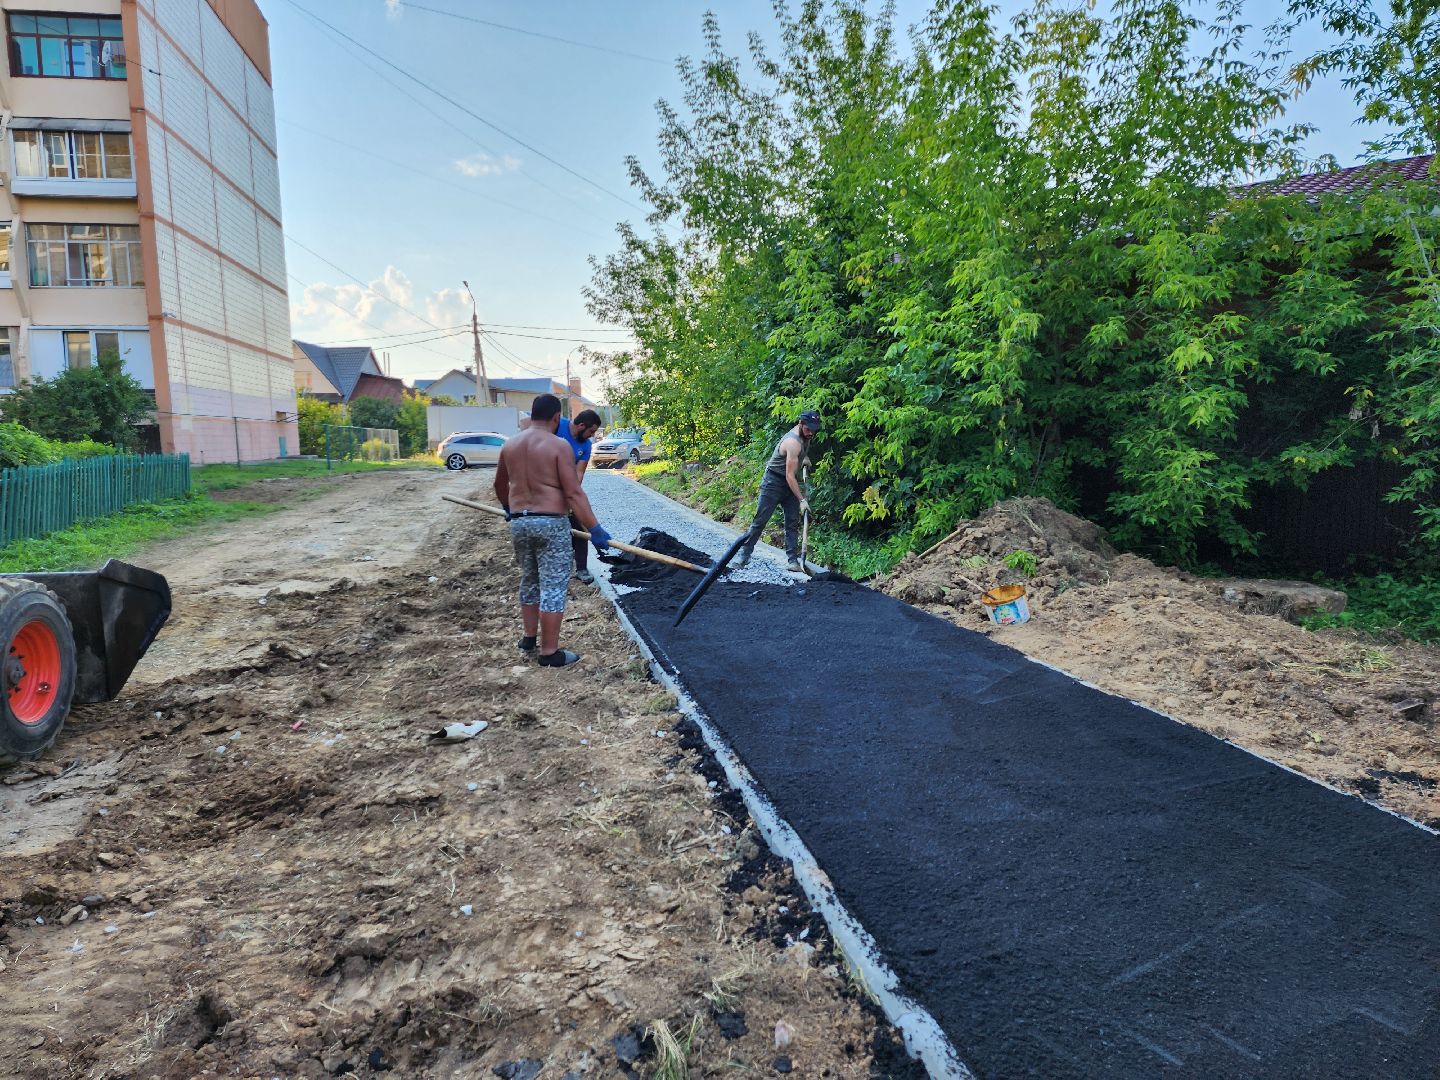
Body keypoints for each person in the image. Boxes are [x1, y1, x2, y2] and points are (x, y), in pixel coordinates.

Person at [494, 394, 611, 668]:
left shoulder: (510, 445)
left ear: (532, 415)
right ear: (557, 417)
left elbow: (499, 485)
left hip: (520, 523)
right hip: (550, 523)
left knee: (530, 579)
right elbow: (573, 492)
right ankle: (549, 652)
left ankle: (528, 639)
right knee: (553, 585)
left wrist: (508, 508)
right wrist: (594, 528)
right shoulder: (558, 446)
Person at [738, 410, 821, 572]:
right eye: (808, 429)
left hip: (789, 482)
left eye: (814, 429)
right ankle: (743, 555)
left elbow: (796, 457)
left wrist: (803, 458)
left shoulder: (806, 436)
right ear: (800, 424)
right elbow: (790, 476)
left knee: (792, 522)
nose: (811, 432)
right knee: (760, 521)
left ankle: (793, 561)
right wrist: (802, 500)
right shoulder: (792, 442)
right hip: (774, 482)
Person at [556, 408, 603, 584]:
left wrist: (571, 496)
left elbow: (579, 473)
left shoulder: (586, 445)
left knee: (581, 531)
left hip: (568, 491)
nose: (592, 436)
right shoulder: (557, 425)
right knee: (557, 532)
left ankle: (582, 569)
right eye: (591, 431)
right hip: (546, 490)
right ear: (581, 425)